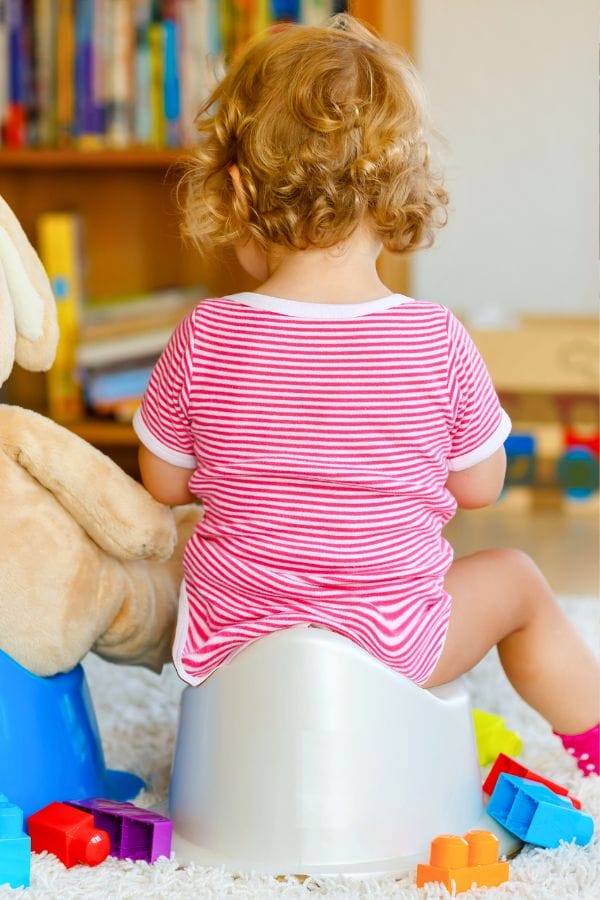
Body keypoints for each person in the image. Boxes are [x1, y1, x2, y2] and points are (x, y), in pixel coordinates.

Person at [133, 14, 599, 776]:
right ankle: (594, 738)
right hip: (394, 651)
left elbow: (163, 480)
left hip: (238, 654)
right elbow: (482, 485)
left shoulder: (206, 332)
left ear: (239, 190)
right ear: (394, 198)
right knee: (515, 577)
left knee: (194, 540)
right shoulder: (435, 338)